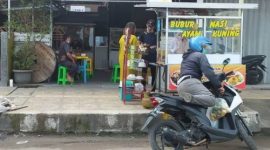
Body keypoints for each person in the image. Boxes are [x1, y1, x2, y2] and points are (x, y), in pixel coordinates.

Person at [177, 36, 225, 107]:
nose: (206, 49)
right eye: (204, 47)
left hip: (182, 85)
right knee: (211, 100)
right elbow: (208, 72)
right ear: (198, 45)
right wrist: (218, 86)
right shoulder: (200, 55)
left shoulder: (188, 57)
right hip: (190, 83)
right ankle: (190, 98)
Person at [138, 19, 157, 91]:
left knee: (153, 73)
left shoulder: (156, 35)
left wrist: (151, 46)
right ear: (146, 25)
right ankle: (143, 87)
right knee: (144, 72)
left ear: (153, 27)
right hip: (145, 56)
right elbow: (139, 43)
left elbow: (158, 45)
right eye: (149, 26)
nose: (150, 28)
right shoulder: (143, 34)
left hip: (153, 56)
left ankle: (153, 89)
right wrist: (143, 46)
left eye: (151, 26)